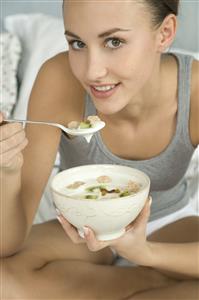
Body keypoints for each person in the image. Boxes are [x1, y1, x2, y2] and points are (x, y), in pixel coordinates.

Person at [1, 0, 199, 299]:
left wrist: (145, 253)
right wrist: (7, 171)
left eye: (114, 41)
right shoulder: (59, 78)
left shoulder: (195, 90)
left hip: (168, 221)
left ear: (165, 33)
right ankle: (149, 285)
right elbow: (7, 243)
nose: (92, 71)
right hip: (81, 226)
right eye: (77, 43)